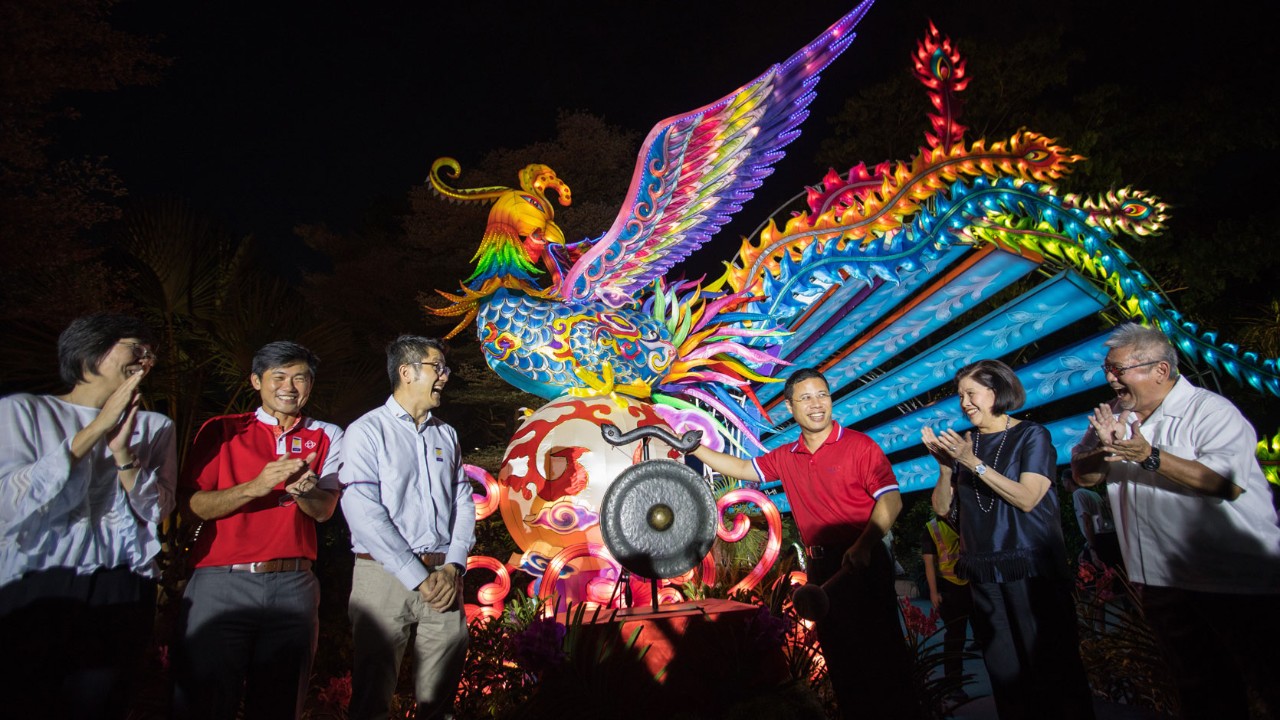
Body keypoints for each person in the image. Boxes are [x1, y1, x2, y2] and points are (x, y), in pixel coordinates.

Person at [1070, 323, 1280, 719]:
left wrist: (1148, 455)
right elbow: (1085, 476)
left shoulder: (1210, 411)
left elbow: (1225, 483)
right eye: (1107, 369)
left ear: (1159, 371)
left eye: (1118, 369)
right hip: (1161, 582)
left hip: (1234, 581)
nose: (1109, 378)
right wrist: (1102, 448)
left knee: (1268, 683)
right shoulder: (1113, 416)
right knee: (1200, 691)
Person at [691, 367, 918, 720]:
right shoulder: (786, 456)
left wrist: (864, 544)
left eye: (822, 395)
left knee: (882, 656)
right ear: (790, 407)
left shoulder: (860, 446)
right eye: (806, 398)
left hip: (863, 561)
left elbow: (891, 501)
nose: (817, 404)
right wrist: (696, 448)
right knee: (841, 658)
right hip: (822, 568)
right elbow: (742, 467)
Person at [0, 314, 177, 720]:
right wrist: (97, 427)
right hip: (39, 581)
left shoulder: (155, 426)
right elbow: (9, 503)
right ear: (90, 351)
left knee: (102, 703)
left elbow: (159, 509)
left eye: (152, 354)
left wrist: (123, 455)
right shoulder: (23, 412)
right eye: (136, 347)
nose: (146, 359)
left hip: (123, 585)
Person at [172, 341, 343, 720]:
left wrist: (303, 492)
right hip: (220, 583)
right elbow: (190, 507)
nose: (290, 386)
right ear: (255, 381)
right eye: (278, 376)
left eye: (300, 378)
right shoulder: (222, 430)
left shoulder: (326, 435)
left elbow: (325, 510)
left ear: (311, 385)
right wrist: (256, 486)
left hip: (293, 585)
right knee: (205, 701)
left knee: (280, 704)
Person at [924, 359, 1093, 720]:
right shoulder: (964, 446)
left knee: (1050, 665)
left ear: (996, 391)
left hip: (1030, 570)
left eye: (971, 393)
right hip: (983, 571)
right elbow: (941, 510)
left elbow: (1028, 497)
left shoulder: (1031, 435)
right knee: (1003, 670)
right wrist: (944, 466)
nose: (964, 402)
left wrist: (972, 464)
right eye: (960, 396)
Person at [340, 335, 476, 720]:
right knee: (372, 698)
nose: (445, 377)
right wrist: (417, 576)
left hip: (444, 578)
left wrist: (453, 566)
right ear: (406, 372)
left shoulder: (445, 435)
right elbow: (363, 512)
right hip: (382, 576)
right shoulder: (366, 432)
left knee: (440, 703)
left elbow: (463, 504)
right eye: (438, 368)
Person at [920, 514, 972, 703]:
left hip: (973, 583)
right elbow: (929, 563)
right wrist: (934, 592)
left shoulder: (965, 517)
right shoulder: (932, 528)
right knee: (955, 637)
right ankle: (953, 685)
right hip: (950, 587)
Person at [1062, 470, 1122, 570]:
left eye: (1063, 481)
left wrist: (1092, 548)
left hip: (1101, 540)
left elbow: (1087, 521)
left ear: (1068, 481)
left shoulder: (1078, 494)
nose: (1063, 484)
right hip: (1111, 535)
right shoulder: (1093, 493)